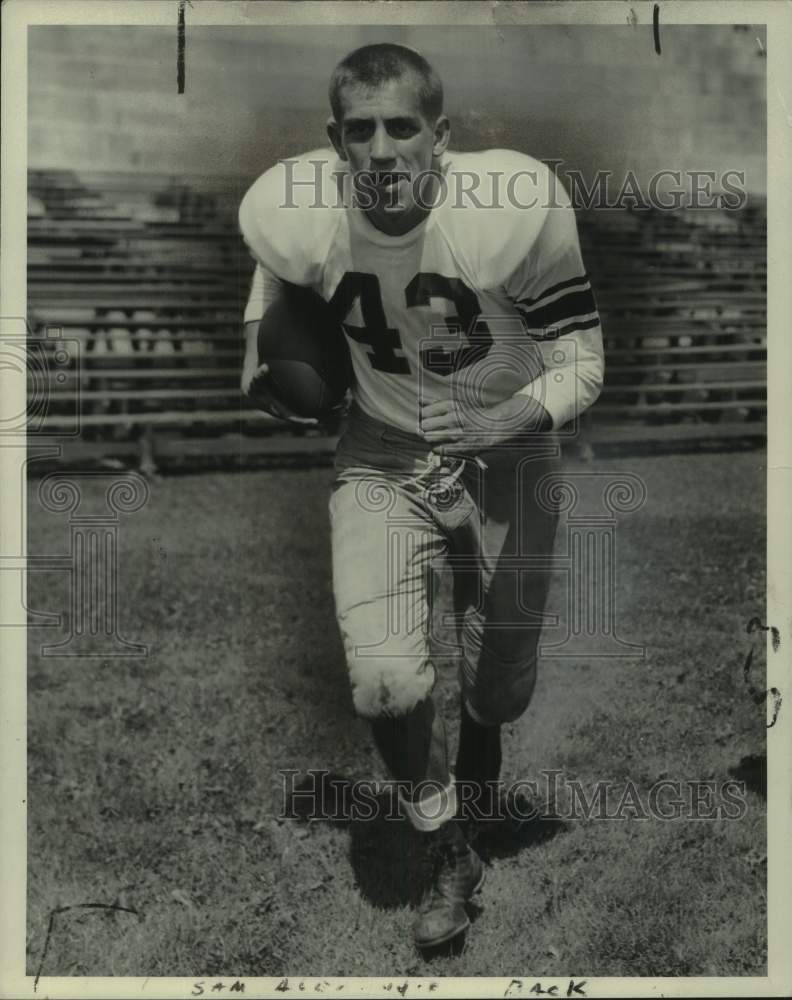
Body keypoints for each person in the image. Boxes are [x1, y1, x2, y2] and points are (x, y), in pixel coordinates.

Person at [239, 42, 604, 950]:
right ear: (335, 141)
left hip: (507, 443)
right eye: (360, 131)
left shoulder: (510, 210)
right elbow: (269, 347)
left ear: (440, 136)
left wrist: (503, 422)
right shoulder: (296, 215)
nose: (382, 148)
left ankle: (480, 783)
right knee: (386, 681)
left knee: (499, 684)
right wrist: (285, 378)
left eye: (403, 127)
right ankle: (447, 846)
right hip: (383, 450)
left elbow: (583, 362)